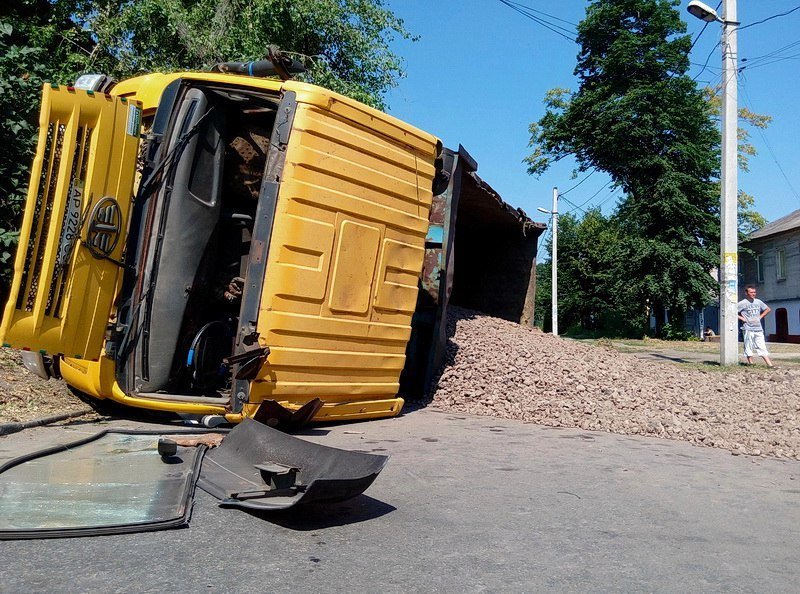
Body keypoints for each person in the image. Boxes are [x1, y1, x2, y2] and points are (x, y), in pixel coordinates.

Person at [737, 285, 775, 368]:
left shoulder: (758, 301)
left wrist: (760, 317)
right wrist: (742, 318)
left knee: (761, 345)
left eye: (754, 292)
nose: (753, 294)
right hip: (748, 328)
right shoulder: (743, 303)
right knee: (748, 345)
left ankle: (769, 364)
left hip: (758, 328)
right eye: (751, 292)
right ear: (746, 293)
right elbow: (732, 311)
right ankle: (751, 363)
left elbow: (768, 309)